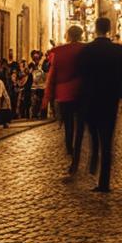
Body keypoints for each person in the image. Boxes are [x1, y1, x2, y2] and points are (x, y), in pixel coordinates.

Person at [76, 17, 122, 193]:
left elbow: (80, 73)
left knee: (93, 134)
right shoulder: (117, 51)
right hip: (109, 101)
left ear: (95, 29)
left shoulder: (87, 50)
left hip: (90, 99)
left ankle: (93, 162)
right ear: (109, 29)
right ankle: (104, 182)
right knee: (107, 140)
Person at [44, 25, 86, 168]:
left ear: (68, 35)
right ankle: (77, 149)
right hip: (81, 92)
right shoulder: (85, 49)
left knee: (68, 122)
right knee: (80, 123)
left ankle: (69, 146)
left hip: (64, 93)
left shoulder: (59, 52)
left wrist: (48, 95)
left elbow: (52, 74)